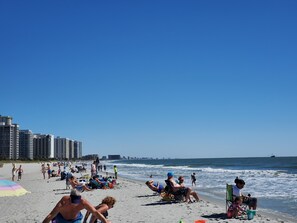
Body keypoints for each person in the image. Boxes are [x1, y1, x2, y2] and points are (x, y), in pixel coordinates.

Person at [42, 189, 110, 223]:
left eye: (77, 202)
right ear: (70, 197)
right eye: (73, 201)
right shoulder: (64, 201)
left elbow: (95, 212)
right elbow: (51, 215)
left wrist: (105, 221)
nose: (75, 204)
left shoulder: (83, 202)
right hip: (61, 219)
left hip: (75, 220)